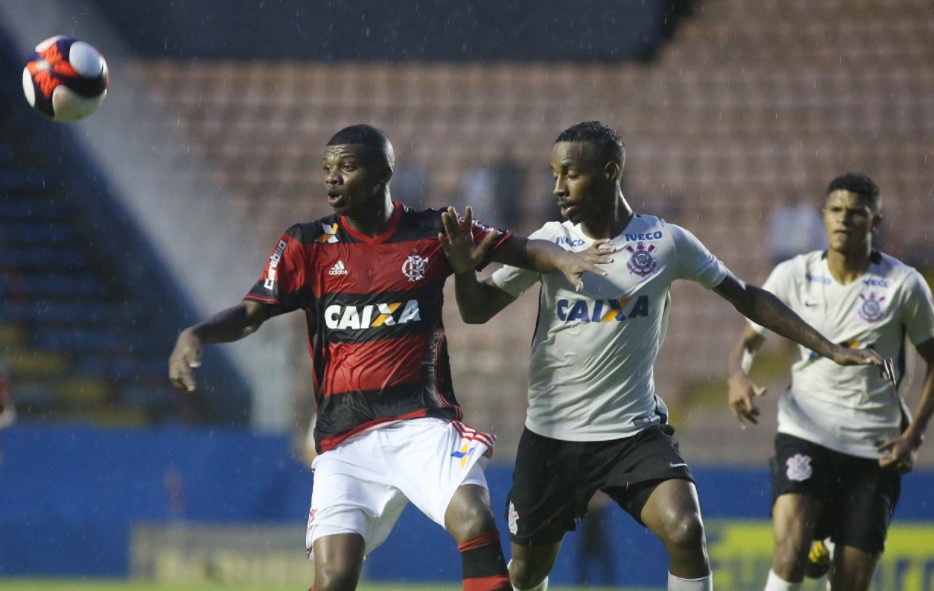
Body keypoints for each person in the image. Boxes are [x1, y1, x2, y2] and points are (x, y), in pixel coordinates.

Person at [440, 121, 889, 591]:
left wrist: (832, 348)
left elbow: (747, 297)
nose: (557, 187)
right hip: (553, 437)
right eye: (554, 174)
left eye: (570, 173)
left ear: (610, 172)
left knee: (685, 529)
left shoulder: (665, 243)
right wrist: (466, 274)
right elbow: (476, 313)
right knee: (529, 571)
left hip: (632, 433)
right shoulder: (550, 242)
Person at [168, 124, 608, 591]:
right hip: (345, 437)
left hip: (422, 423)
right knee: (335, 577)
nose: (332, 179)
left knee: (475, 518)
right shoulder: (306, 244)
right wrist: (197, 333)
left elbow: (518, 247)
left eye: (347, 167)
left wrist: (562, 258)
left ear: (383, 174)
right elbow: (252, 313)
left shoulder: (433, 230)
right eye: (327, 169)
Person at [726, 172, 934, 591]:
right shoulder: (793, 275)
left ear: (875, 223)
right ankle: (812, 536)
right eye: (835, 210)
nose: (843, 219)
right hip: (806, 433)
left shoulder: (904, 286)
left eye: (856, 213)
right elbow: (748, 341)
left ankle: (823, 536)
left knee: (849, 584)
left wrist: (912, 436)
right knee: (790, 553)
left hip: (874, 447)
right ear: (822, 216)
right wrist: (737, 376)